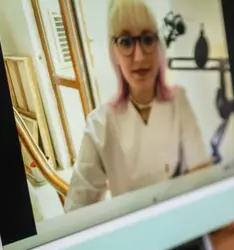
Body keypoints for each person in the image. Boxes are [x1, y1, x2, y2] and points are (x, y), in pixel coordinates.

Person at [64, 0, 211, 212]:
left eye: (147, 39)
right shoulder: (100, 124)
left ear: (158, 46)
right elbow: (77, 209)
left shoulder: (178, 101)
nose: (139, 56)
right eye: (125, 42)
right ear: (113, 51)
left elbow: (202, 174)